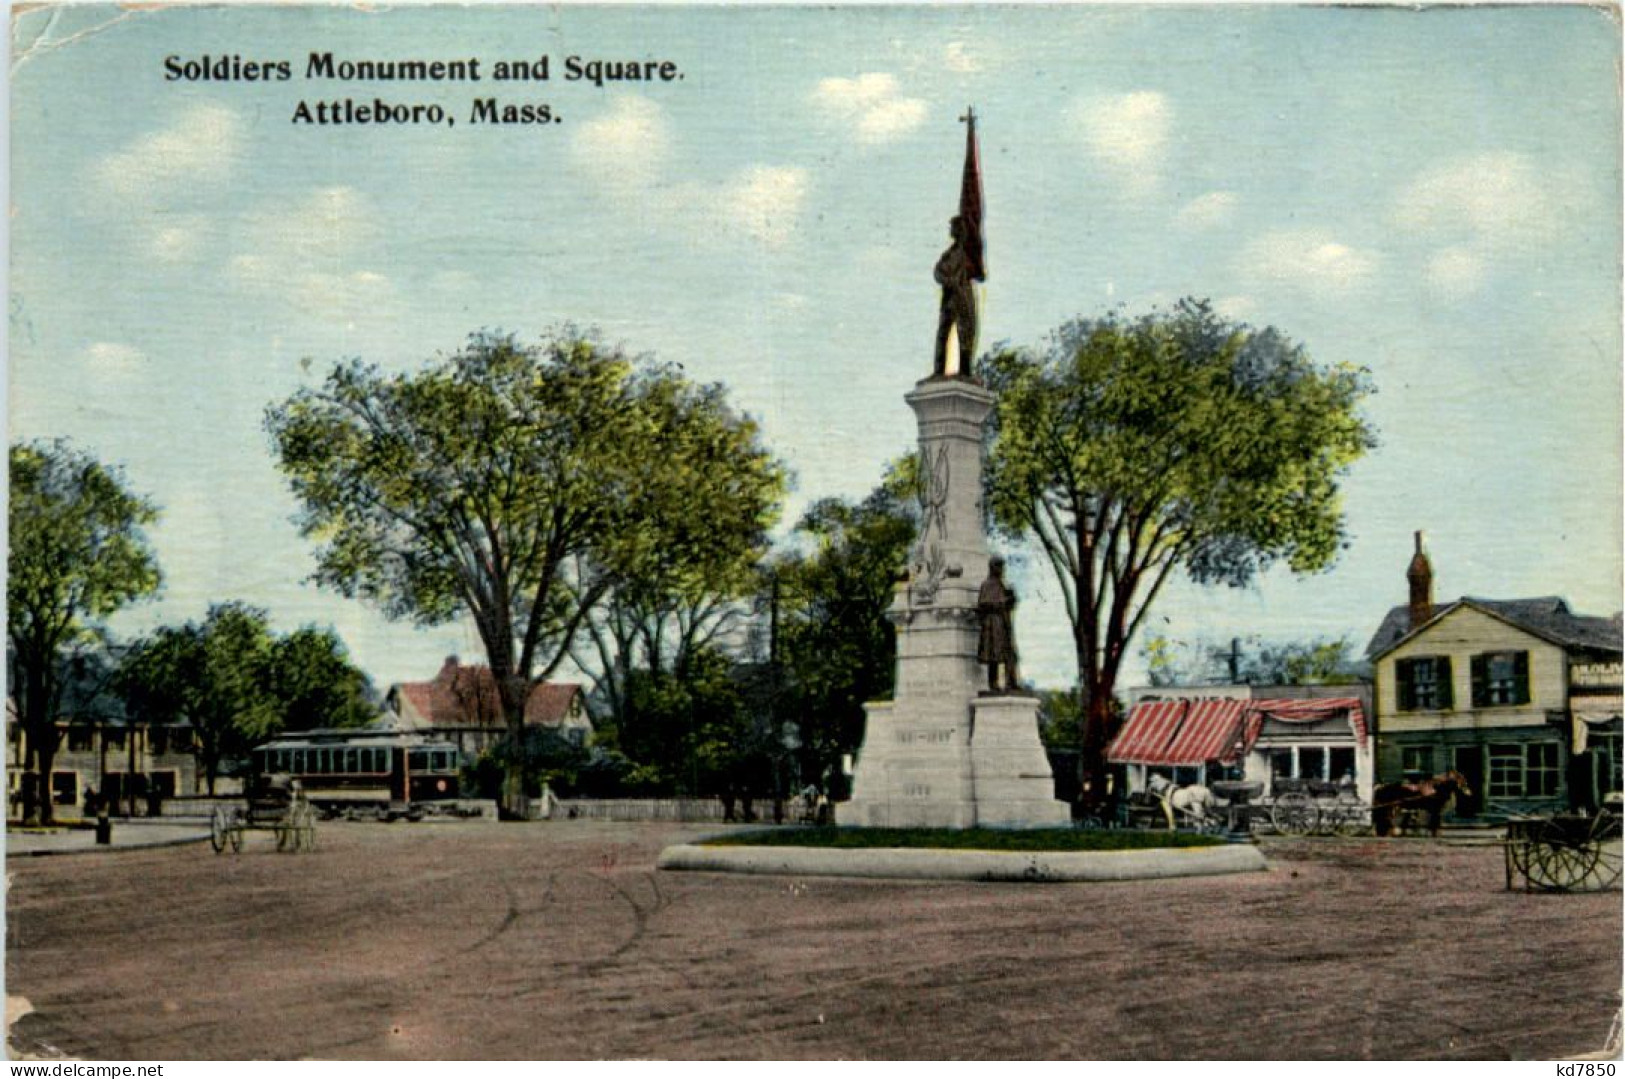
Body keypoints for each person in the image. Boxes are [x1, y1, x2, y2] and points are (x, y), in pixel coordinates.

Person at [933, 216, 979, 379]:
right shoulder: (949, 254)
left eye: (953, 227)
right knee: (942, 334)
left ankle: (965, 372)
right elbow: (937, 272)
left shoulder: (969, 253)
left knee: (965, 333)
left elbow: (978, 272)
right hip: (949, 298)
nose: (951, 230)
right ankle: (938, 372)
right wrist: (948, 280)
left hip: (963, 297)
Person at [976, 557, 1020, 692]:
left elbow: (1007, 604)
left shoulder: (1002, 585)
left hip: (1004, 624)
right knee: (994, 656)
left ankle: (1011, 682)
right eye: (999, 567)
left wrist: (1011, 599)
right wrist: (1003, 602)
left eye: (1002, 567)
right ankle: (993, 683)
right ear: (993, 568)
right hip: (993, 625)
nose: (1002, 570)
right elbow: (983, 604)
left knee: (1010, 654)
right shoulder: (987, 584)